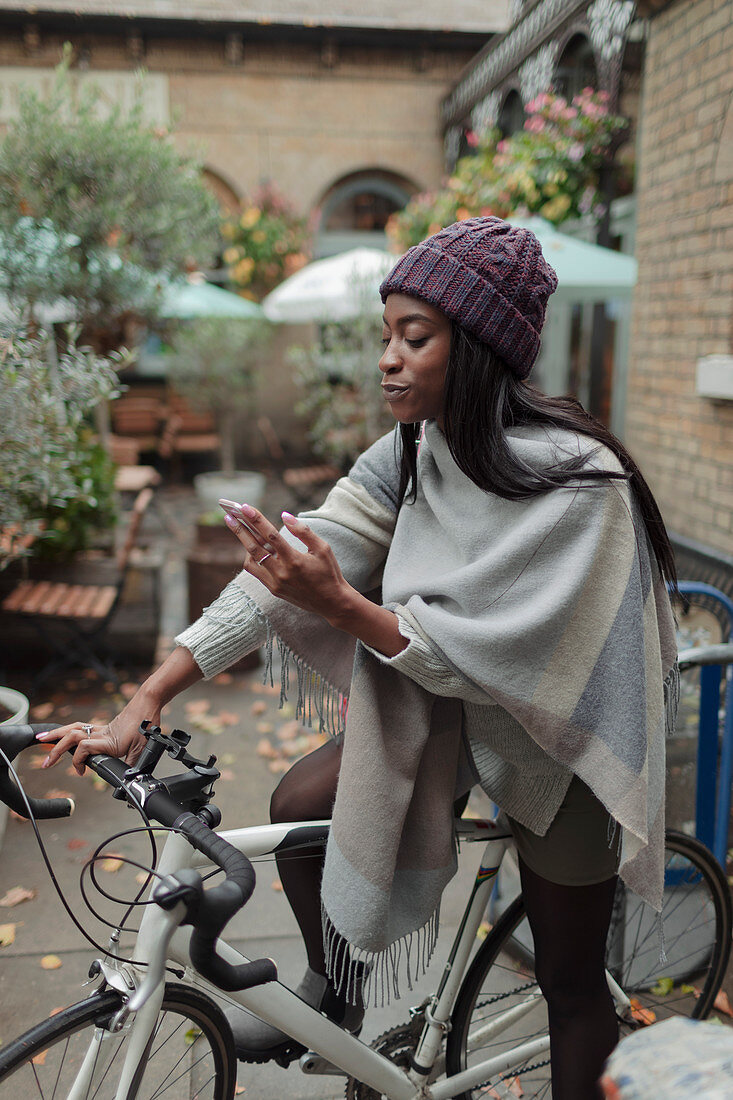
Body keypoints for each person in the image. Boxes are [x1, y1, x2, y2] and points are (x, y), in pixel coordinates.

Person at [38, 218, 678, 1100]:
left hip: (561, 746)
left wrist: (340, 603)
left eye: (413, 338)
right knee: (300, 808)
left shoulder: (580, 484)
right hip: (451, 712)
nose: (386, 358)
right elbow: (278, 578)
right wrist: (150, 693)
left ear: (481, 345)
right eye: (386, 336)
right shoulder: (410, 451)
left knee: (570, 990)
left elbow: (487, 662)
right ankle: (336, 1000)